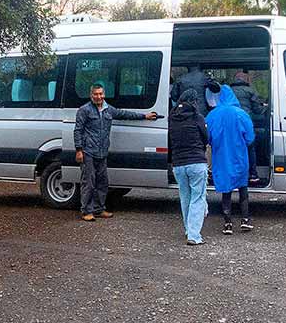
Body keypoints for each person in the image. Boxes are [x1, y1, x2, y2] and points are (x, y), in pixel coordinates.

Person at [74, 83, 158, 221]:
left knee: (103, 183)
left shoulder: (108, 110)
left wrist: (145, 116)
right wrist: (79, 150)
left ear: (104, 94)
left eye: (100, 94)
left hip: (102, 152)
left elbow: (124, 114)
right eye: (95, 94)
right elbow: (78, 130)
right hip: (88, 152)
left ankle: (99, 209)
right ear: (91, 95)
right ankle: (86, 211)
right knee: (88, 182)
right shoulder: (84, 110)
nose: (98, 96)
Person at [205, 84, 255, 235]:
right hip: (239, 156)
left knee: (226, 191)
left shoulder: (213, 115)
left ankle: (227, 223)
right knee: (243, 188)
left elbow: (207, 137)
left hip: (221, 158)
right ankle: (245, 220)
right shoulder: (241, 114)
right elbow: (250, 137)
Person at [168, 89, 209, 245]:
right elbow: (206, 137)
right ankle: (194, 236)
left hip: (178, 164)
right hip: (196, 162)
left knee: (185, 197)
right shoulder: (197, 117)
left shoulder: (172, 118)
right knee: (197, 198)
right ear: (194, 101)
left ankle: (188, 229)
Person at [230, 71, 265, 184]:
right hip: (246, 123)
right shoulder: (250, 91)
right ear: (246, 80)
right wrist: (265, 107)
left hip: (231, 124)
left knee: (233, 149)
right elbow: (257, 110)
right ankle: (253, 174)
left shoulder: (229, 91)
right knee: (250, 148)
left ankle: (234, 174)